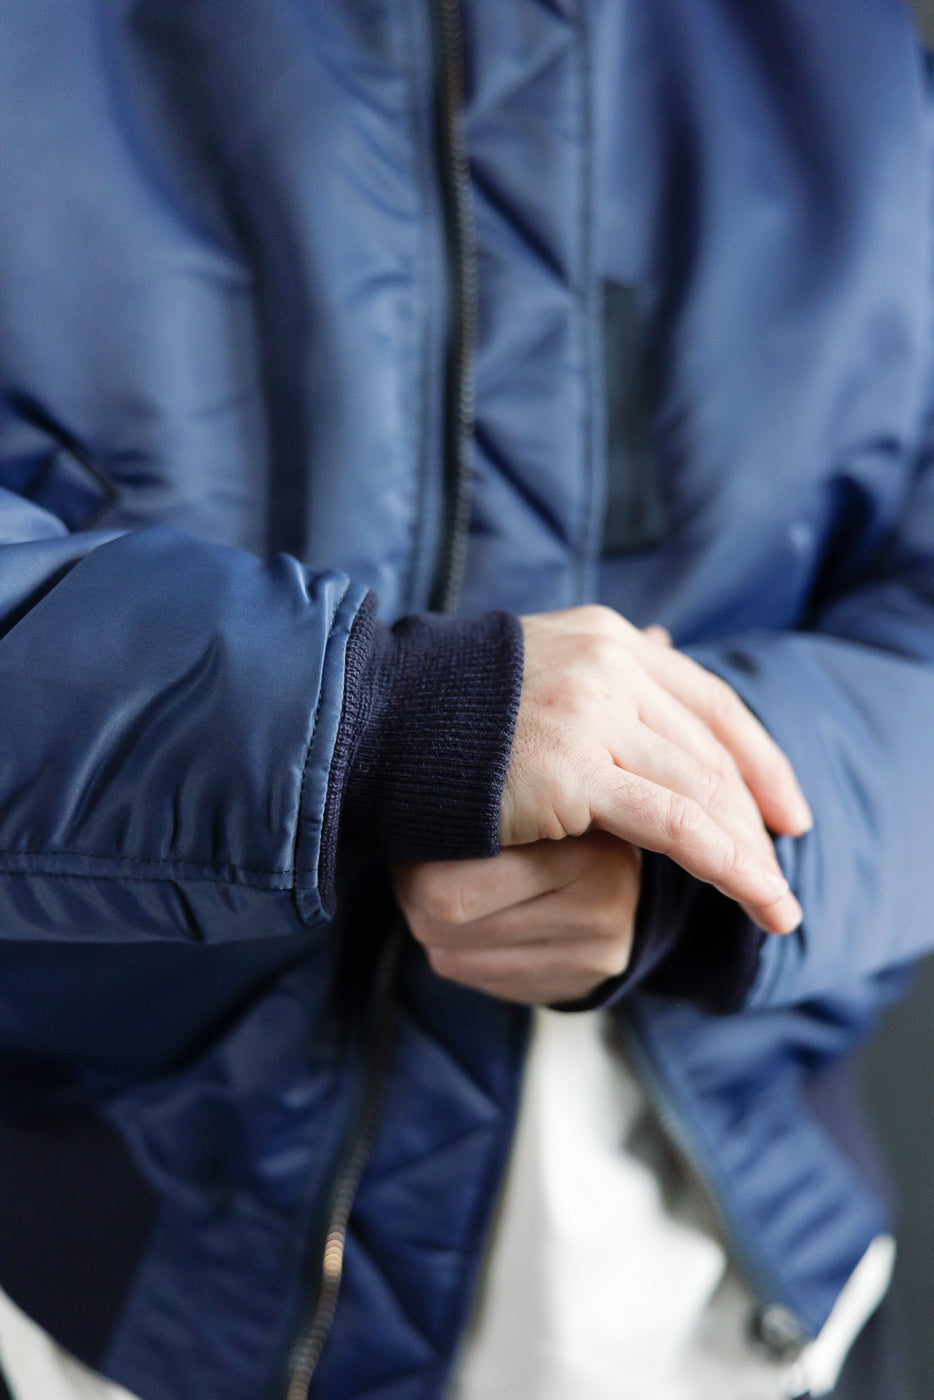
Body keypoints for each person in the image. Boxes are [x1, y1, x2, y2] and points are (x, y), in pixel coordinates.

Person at [0, 1, 931, 1397]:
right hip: (98, 1306)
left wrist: (701, 825)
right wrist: (381, 720)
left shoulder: (862, 49)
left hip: (748, 1320)